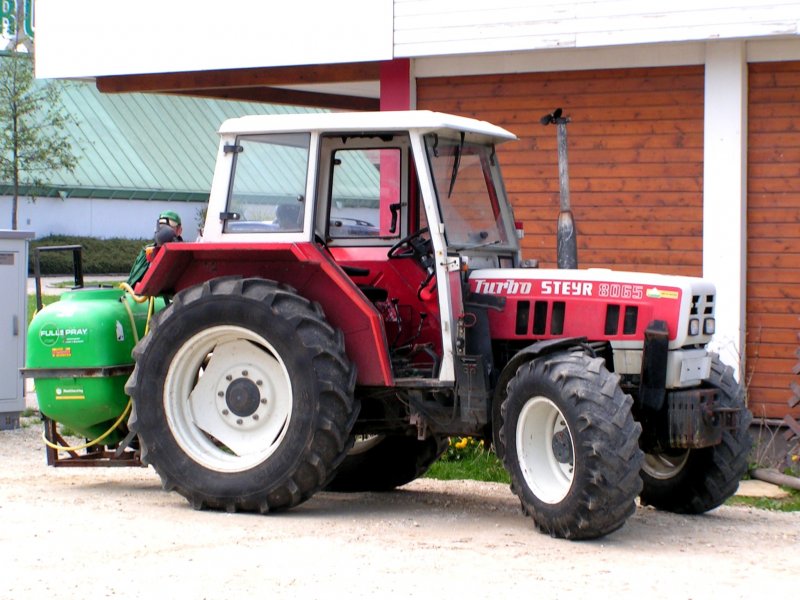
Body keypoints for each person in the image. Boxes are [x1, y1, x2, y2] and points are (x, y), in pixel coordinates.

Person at [126, 210, 183, 286]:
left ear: (179, 230)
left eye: (169, 227)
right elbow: (132, 282)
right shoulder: (147, 252)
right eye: (161, 227)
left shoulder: (185, 253)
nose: (164, 231)